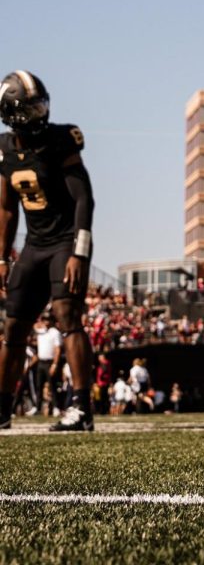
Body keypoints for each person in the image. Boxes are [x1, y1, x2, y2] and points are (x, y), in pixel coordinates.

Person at [0, 71, 96, 432]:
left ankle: (81, 408)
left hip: (65, 241)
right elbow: (7, 208)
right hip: (33, 246)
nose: (40, 113)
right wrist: (2, 256)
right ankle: (3, 407)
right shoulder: (5, 149)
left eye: (41, 104)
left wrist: (80, 252)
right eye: (31, 108)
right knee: (13, 328)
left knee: (68, 317)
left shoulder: (61, 139)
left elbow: (84, 197)